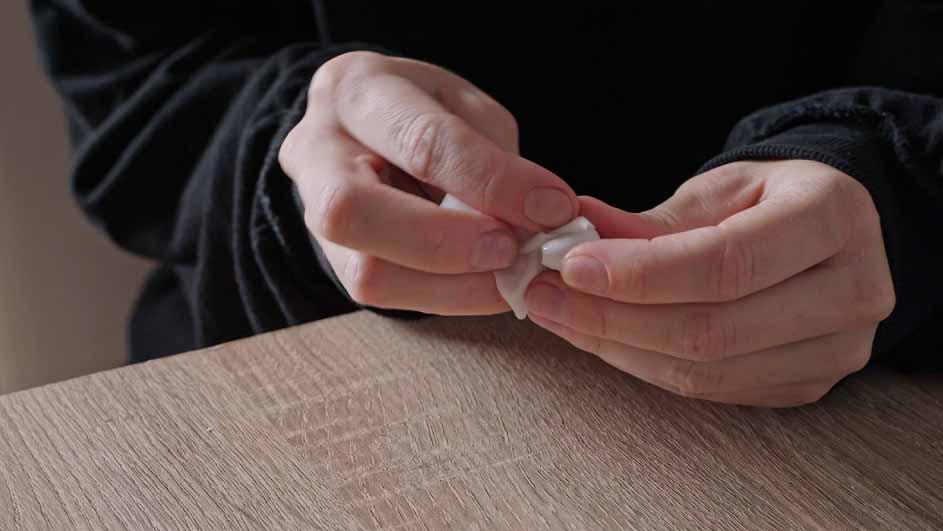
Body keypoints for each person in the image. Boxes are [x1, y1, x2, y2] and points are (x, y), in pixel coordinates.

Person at [30, 1, 942, 407]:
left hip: (872, 409)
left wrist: (899, 184)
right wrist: (291, 150)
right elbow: (131, 86)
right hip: (285, 379)